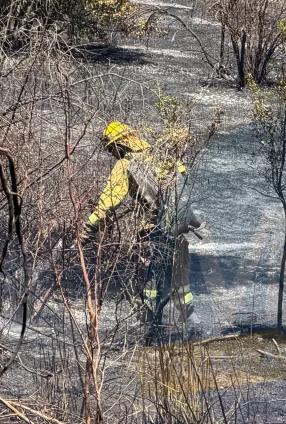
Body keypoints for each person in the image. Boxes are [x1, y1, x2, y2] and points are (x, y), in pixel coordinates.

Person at [83, 122, 202, 326]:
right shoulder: (163, 155)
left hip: (151, 231)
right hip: (178, 228)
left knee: (144, 280)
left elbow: (108, 202)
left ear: (120, 144)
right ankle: (191, 324)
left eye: (111, 149)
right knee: (179, 278)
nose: (112, 154)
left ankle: (149, 326)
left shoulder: (126, 164)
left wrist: (88, 231)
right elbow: (185, 177)